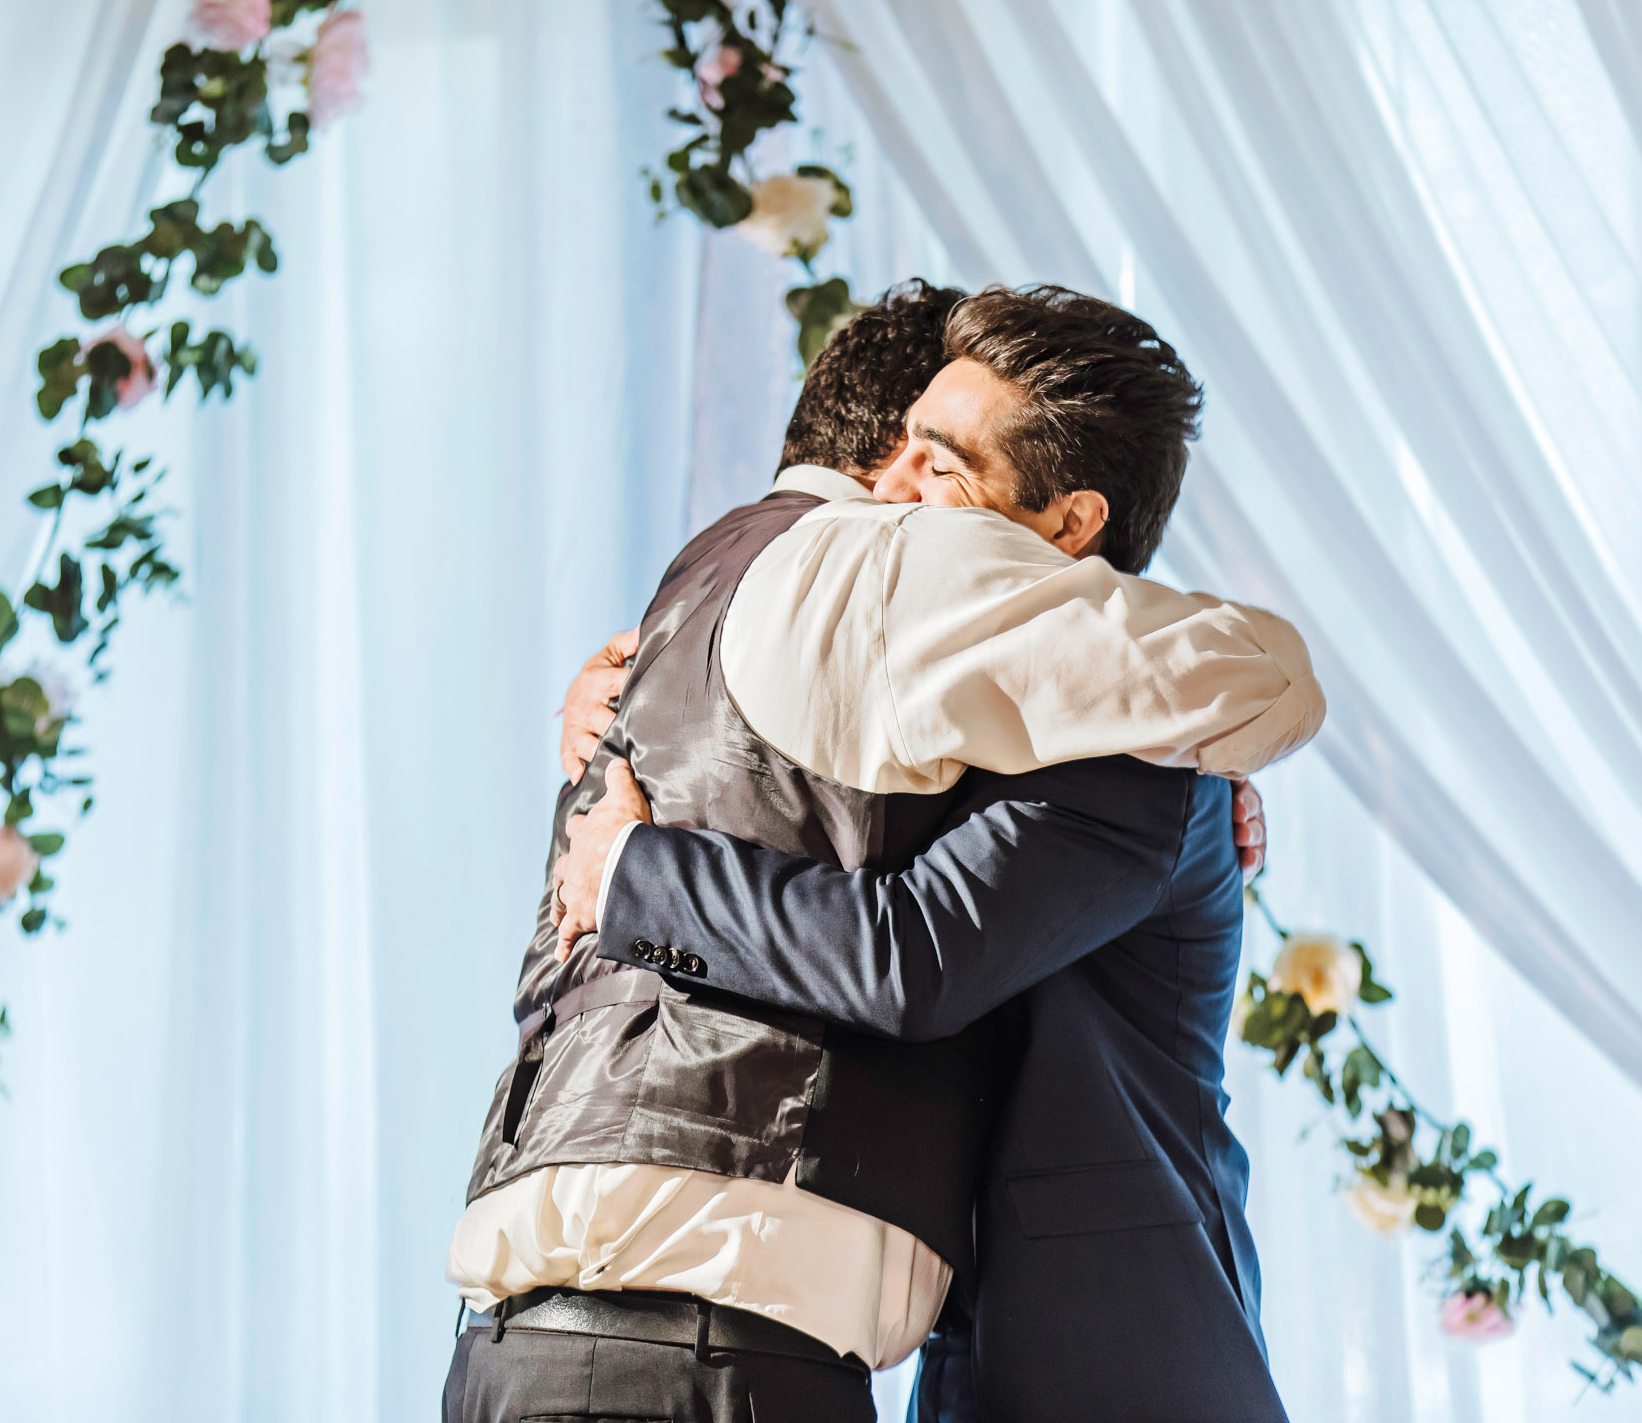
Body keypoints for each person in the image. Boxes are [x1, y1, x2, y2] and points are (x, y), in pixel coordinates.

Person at [443, 283, 1318, 1423]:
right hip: (948, 1369)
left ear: (1070, 527)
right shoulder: (941, 736)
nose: (886, 492)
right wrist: (635, 695)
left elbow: (910, 953)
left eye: (941, 468)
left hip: (1121, 1364)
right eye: (897, 449)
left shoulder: (1138, 753)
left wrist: (629, 872)